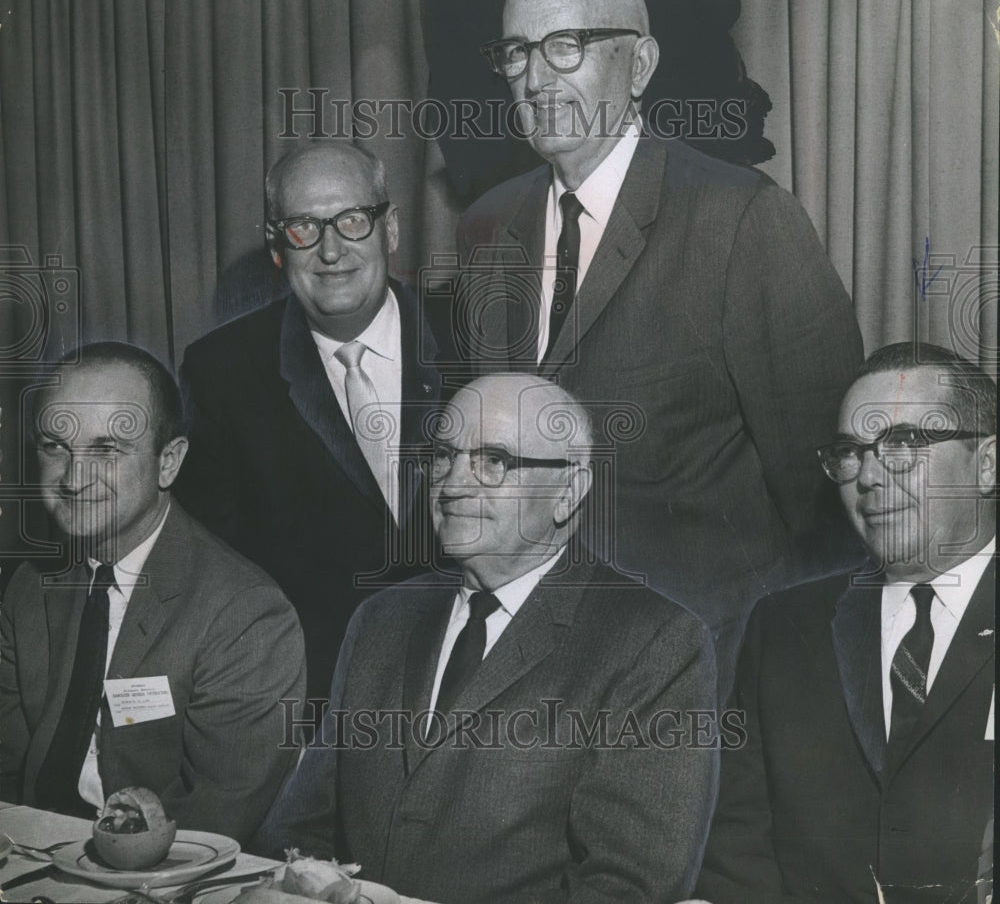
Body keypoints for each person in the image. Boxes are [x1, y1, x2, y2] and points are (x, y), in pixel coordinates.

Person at [455, 0, 865, 688]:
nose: (537, 77)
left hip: (708, 675)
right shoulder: (487, 226)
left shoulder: (742, 220)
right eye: (516, 52)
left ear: (639, 65)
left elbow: (827, 496)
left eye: (566, 45)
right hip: (538, 677)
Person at [253, 374, 719, 903]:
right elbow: (298, 834)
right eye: (444, 456)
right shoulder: (381, 619)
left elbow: (626, 887)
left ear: (567, 492)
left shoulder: (654, 644)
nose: (453, 484)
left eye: (493, 461)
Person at [693, 342, 996, 903]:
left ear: (987, 464)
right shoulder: (784, 626)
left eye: (904, 443)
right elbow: (739, 856)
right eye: (850, 453)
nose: (870, 476)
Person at [0, 342, 305, 843]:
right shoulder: (29, 586)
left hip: (160, 871)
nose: (73, 478)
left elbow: (212, 827)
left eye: (106, 450)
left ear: (169, 462)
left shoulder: (247, 614)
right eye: (55, 446)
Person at [175, 142, 442, 710]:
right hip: (316, 700)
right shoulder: (221, 372)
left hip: (477, 684)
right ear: (277, 247)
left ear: (391, 229)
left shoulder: (479, 334)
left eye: (353, 220)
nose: (331, 250)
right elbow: (217, 572)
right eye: (303, 228)